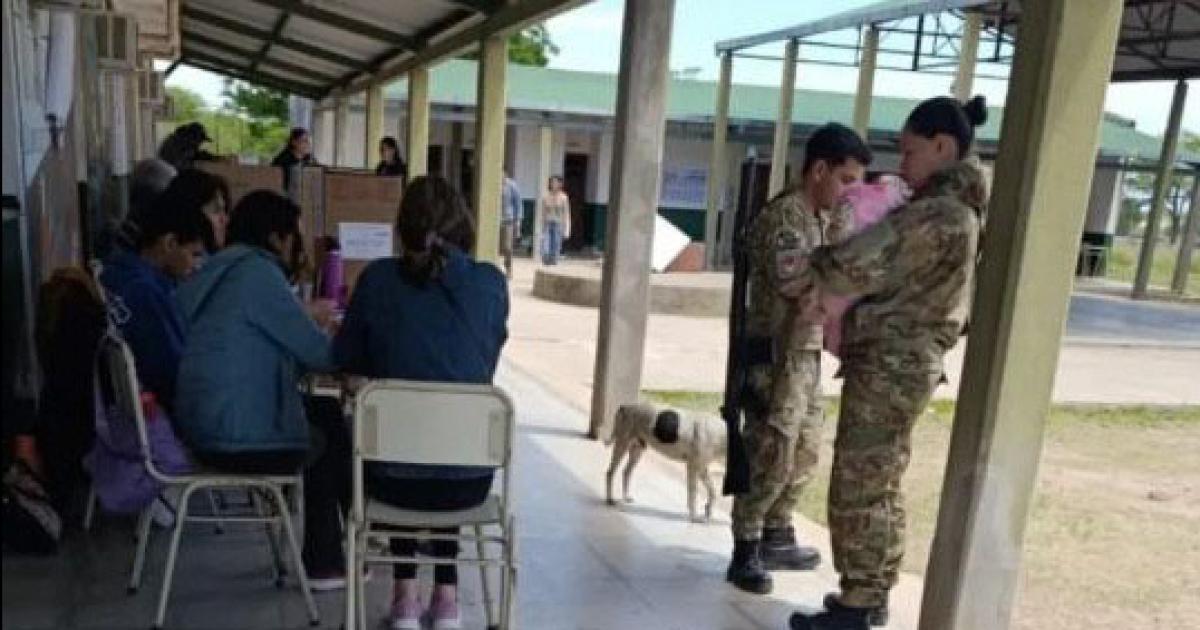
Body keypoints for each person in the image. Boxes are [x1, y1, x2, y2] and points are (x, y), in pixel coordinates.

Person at [788, 96, 989, 630]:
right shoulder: (953, 210)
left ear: (943, 146)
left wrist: (820, 261)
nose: (901, 163)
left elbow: (856, 262)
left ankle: (858, 604)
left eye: (909, 150)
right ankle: (870, 593)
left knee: (860, 481)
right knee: (880, 478)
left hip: (892, 362)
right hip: (900, 361)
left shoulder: (940, 214)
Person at [333, 175, 508, 630]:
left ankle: (404, 597)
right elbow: (483, 361)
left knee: (398, 442)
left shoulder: (376, 280)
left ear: (402, 228)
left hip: (392, 480)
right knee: (444, 436)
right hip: (469, 481)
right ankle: (447, 599)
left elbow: (346, 360)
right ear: (463, 224)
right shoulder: (491, 285)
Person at [174, 190, 351, 589]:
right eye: (297, 237)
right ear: (276, 238)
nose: (301, 248)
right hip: (237, 439)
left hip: (205, 426)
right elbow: (320, 356)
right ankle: (328, 560)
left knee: (325, 414)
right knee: (329, 436)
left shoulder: (222, 272)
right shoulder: (258, 275)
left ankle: (339, 551)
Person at [726, 124, 872, 596]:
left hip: (803, 354)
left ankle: (776, 531)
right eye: (846, 180)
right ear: (819, 170)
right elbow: (799, 289)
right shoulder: (787, 219)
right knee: (771, 450)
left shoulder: (818, 217)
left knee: (806, 447)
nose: (850, 192)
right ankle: (745, 547)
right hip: (776, 357)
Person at [100, 185, 213, 411]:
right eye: (194, 254)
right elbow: (172, 373)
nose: (197, 266)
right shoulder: (146, 293)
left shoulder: (116, 271)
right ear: (169, 243)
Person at [272, 128, 317, 193]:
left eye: (308, 141)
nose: (308, 144)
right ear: (294, 142)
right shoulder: (282, 160)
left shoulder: (309, 158)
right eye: (305, 141)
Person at [540, 175, 570, 265]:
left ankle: (554, 259)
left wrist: (567, 228)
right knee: (546, 241)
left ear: (560, 184)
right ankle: (546, 257)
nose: (554, 184)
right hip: (548, 222)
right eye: (552, 182)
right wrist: (542, 225)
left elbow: (566, 213)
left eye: (556, 182)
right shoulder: (546, 196)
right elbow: (543, 212)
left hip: (558, 223)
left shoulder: (564, 197)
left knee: (556, 243)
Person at [500, 172, 523, 277]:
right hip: (495, 219)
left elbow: (518, 204)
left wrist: (518, 221)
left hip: (508, 220)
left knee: (507, 246)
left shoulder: (512, 185)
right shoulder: (493, 184)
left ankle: (508, 268)